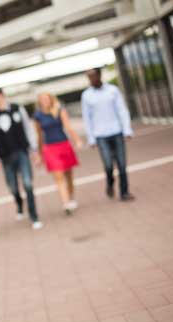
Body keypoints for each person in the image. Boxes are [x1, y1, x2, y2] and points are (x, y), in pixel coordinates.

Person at [0, 87, 43, 230]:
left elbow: (28, 129)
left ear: (1, 96)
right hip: (5, 157)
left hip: (21, 152)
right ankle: (19, 203)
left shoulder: (17, 109)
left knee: (28, 184)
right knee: (13, 187)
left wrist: (33, 149)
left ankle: (34, 215)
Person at [81, 67, 135, 201]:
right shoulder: (86, 95)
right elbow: (87, 118)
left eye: (93, 76)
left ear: (99, 75)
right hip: (100, 135)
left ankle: (124, 192)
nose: (91, 79)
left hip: (116, 131)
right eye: (89, 77)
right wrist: (91, 138)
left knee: (122, 164)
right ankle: (110, 184)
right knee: (108, 165)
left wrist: (127, 129)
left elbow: (122, 110)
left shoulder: (113, 90)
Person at [33, 92, 83, 215]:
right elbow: (39, 136)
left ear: (51, 99)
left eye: (47, 99)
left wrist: (77, 140)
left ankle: (70, 197)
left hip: (64, 144)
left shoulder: (59, 110)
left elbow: (68, 127)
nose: (45, 101)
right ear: (39, 102)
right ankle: (65, 203)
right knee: (58, 176)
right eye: (42, 99)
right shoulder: (37, 116)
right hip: (49, 148)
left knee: (69, 175)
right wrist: (39, 154)